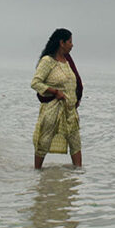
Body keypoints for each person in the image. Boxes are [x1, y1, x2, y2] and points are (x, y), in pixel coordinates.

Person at [30, 29, 82, 169]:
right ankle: (38, 175)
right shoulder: (48, 61)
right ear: (62, 43)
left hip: (70, 111)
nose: (72, 45)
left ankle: (77, 177)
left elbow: (75, 83)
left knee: (75, 142)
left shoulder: (67, 61)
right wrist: (55, 91)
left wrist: (76, 100)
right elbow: (35, 83)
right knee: (44, 141)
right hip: (53, 109)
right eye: (70, 42)